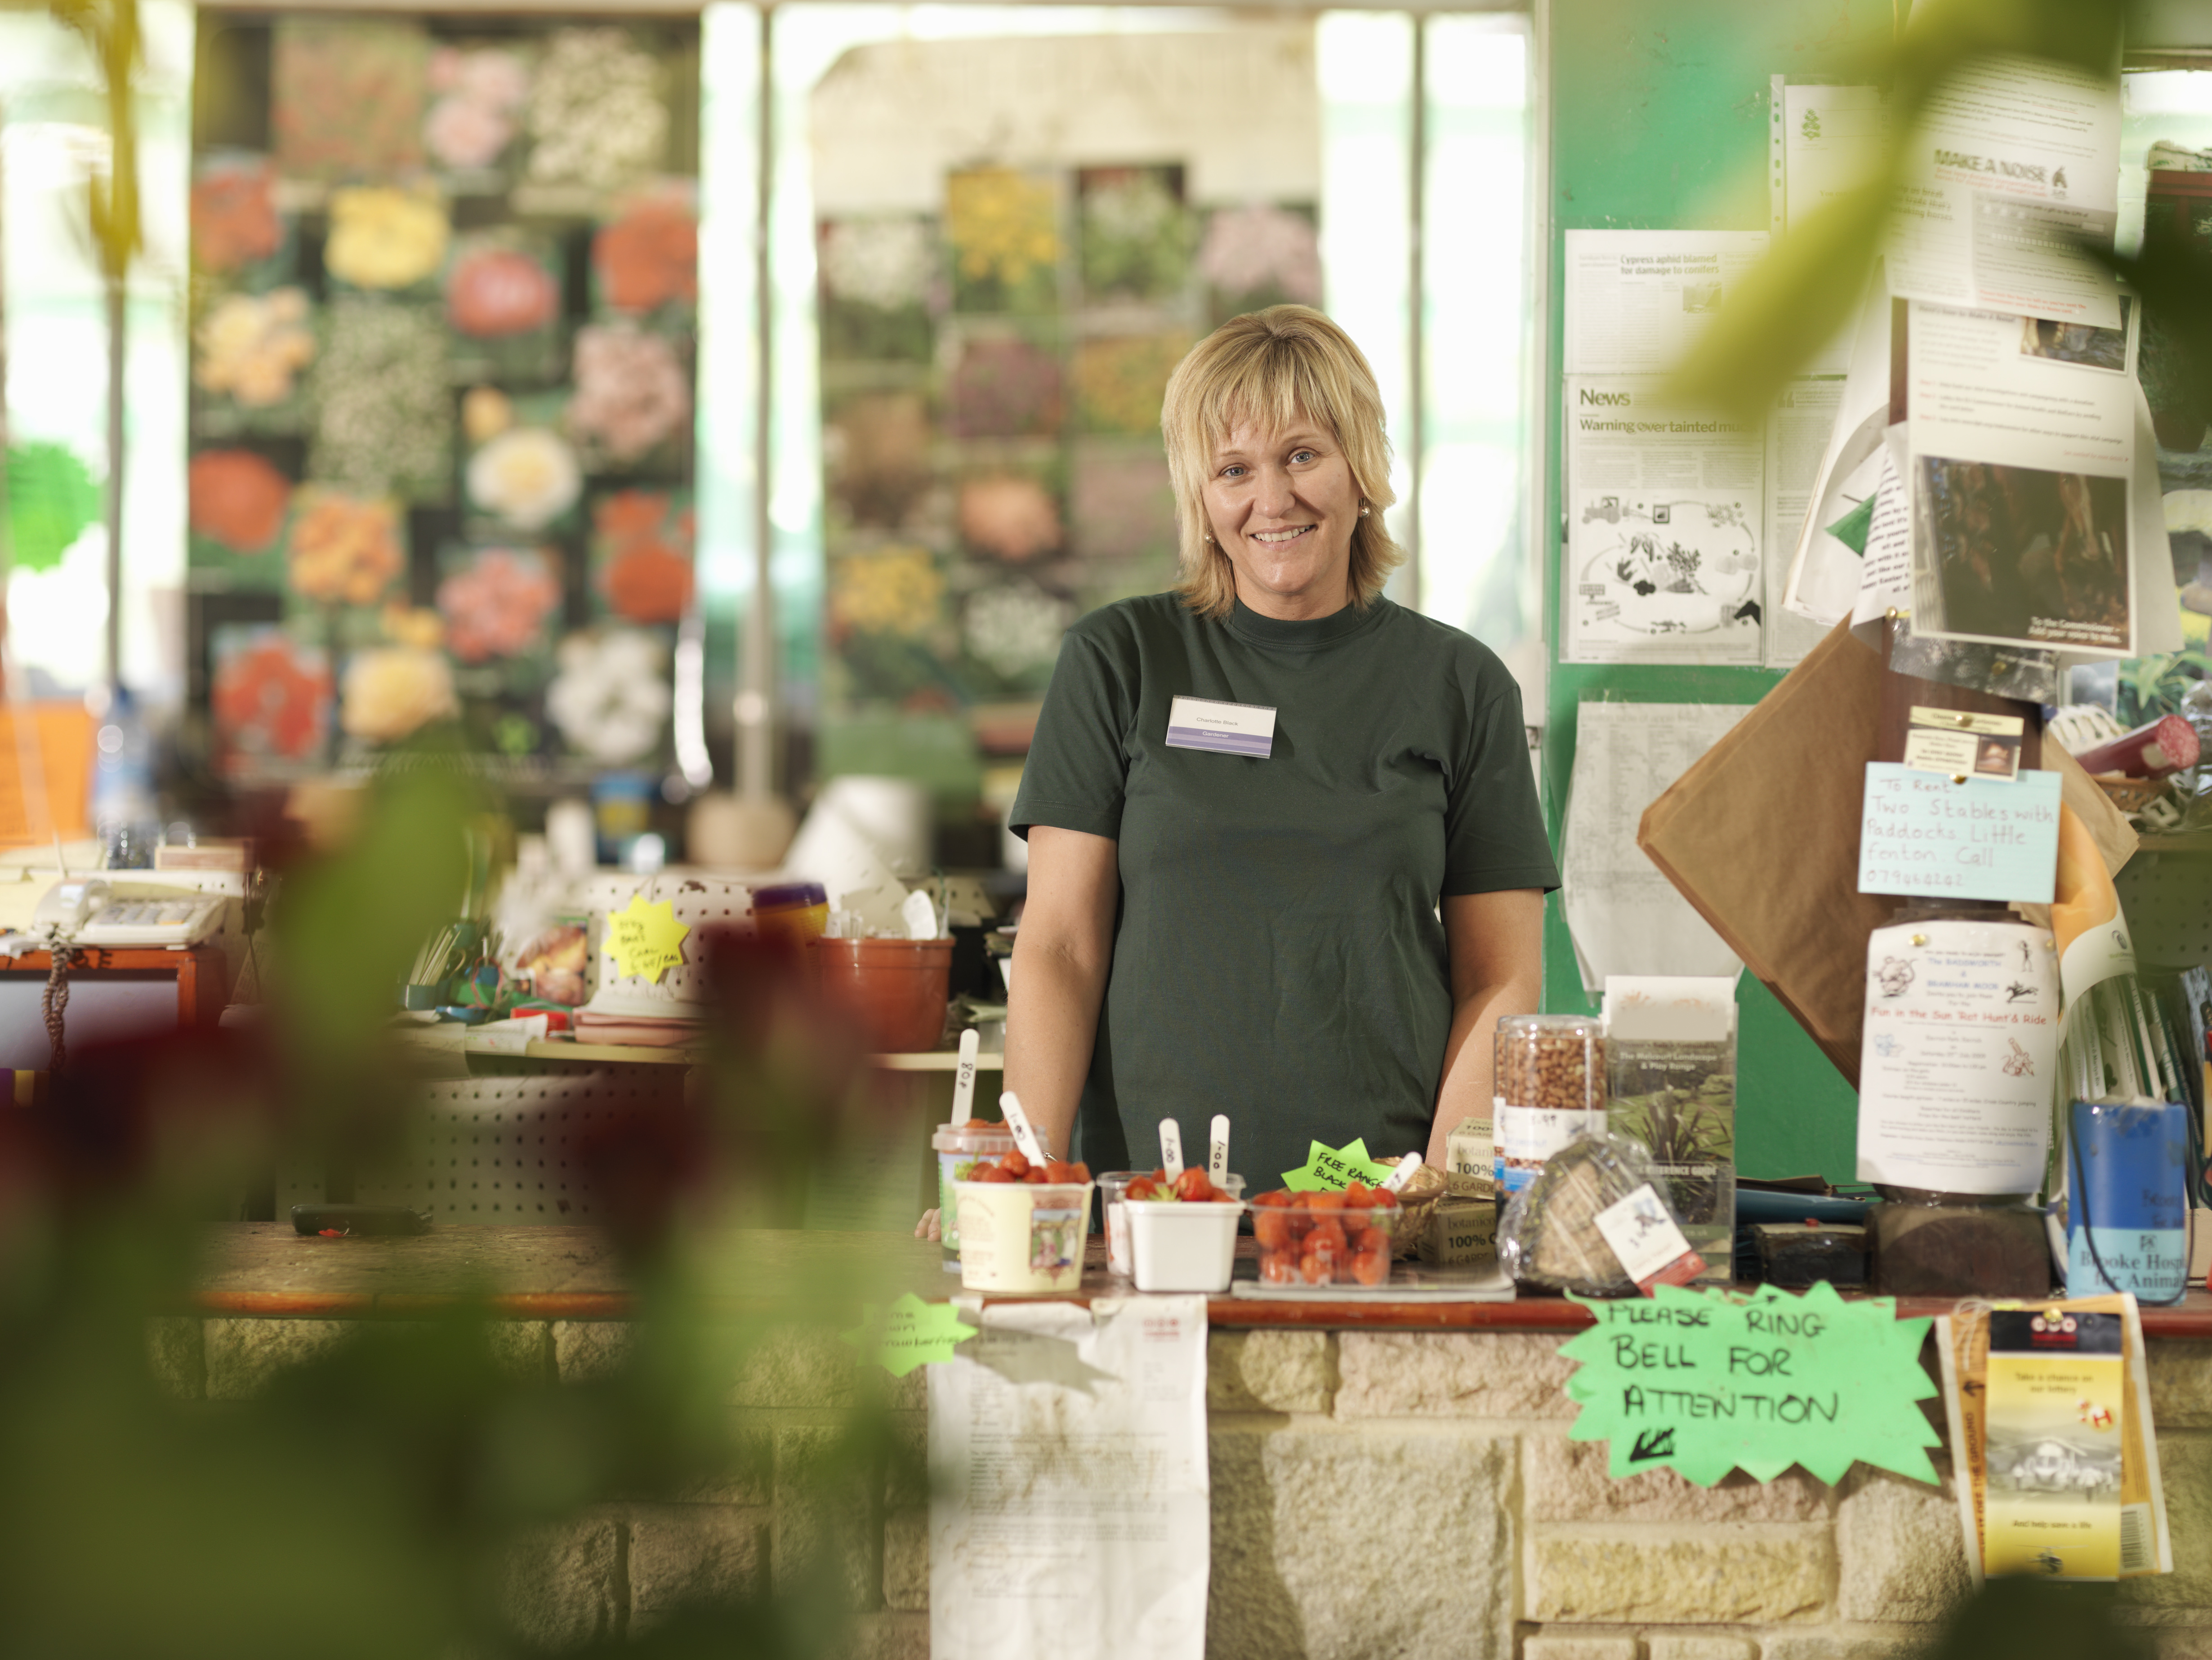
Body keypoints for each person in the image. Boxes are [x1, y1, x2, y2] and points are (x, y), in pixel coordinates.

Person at [919, 305, 1554, 1237]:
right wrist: (1032, 1180)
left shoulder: (1461, 685)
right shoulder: (1121, 659)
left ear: (1362, 469)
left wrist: (1437, 1195)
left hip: (1373, 1212)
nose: (1273, 498)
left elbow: (1501, 978)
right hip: (1146, 1205)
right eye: (1233, 470)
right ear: (1200, 495)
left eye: (1304, 455)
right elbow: (1057, 946)